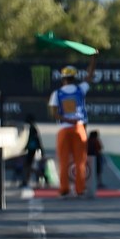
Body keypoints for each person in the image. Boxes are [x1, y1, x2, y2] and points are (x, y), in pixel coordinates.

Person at [47, 53, 97, 198]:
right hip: (79, 128)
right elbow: (91, 74)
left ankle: (64, 189)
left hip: (63, 129)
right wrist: (93, 58)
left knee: (63, 161)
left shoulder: (57, 93)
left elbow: (54, 114)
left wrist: (67, 120)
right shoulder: (80, 89)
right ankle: (80, 190)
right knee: (80, 161)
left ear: (63, 78)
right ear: (74, 77)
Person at [21, 113, 44, 188]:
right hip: (30, 148)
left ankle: (39, 175)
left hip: (32, 148)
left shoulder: (32, 128)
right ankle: (27, 180)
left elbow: (36, 139)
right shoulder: (30, 128)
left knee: (27, 165)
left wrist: (40, 148)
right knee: (27, 165)